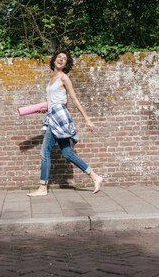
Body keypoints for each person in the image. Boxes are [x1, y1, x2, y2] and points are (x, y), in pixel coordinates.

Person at [27, 50, 103, 197]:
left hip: (60, 118)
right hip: (52, 115)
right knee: (67, 153)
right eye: (59, 57)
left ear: (66, 64)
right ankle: (95, 177)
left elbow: (73, 99)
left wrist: (87, 118)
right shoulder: (51, 79)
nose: (61, 59)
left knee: (44, 152)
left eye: (65, 59)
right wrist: (44, 109)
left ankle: (43, 188)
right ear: (54, 59)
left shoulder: (64, 78)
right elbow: (53, 100)